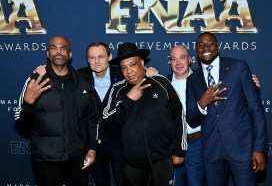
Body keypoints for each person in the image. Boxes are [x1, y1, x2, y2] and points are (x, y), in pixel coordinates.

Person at [14, 36, 100, 186]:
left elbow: (93, 118)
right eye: (53, 48)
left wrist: (92, 148)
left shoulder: (84, 81)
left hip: (77, 156)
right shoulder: (36, 79)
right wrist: (28, 103)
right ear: (48, 54)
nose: (58, 51)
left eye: (63, 48)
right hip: (46, 158)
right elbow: (21, 123)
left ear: (70, 54)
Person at [186, 32, 267, 186]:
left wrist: (259, 148)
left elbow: (256, 110)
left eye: (210, 43)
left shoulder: (238, 66)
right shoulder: (193, 79)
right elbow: (191, 118)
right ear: (196, 50)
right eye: (200, 45)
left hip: (241, 147)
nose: (205, 48)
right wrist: (202, 103)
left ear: (218, 47)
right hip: (211, 151)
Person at [103, 42, 187, 186]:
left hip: (162, 161)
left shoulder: (161, 82)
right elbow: (108, 123)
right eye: (124, 67)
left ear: (142, 63)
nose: (129, 71)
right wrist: (128, 99)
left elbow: (179, 115)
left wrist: (179, 151)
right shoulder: (117, 90)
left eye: (132, 64)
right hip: (133, 164)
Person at [78, 42, 126, 186]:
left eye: (101, 56)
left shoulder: (123, 73)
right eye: (92, 57)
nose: (97, 61)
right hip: (93, 145)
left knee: (123, 181)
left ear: (109, 57)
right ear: (87, 59)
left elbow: (140, 74)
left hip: (120, 143)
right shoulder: (80, 77)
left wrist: (150, 71)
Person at [166, 45, 205, 186]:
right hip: (172, 144)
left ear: (190, 60)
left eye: (182, 57)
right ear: (169, 62)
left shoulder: (203, 81)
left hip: (197, 143)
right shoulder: (163, 83)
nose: (178, 62)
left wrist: (250, 82)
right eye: (173, 59)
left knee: (196, 183)